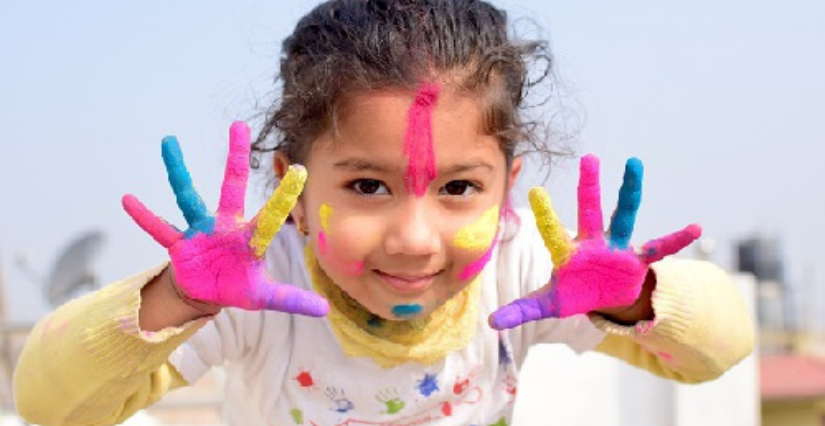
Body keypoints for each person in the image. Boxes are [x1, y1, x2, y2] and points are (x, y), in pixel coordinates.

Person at [13, 0, 754, 425]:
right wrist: (177, 299)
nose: (413, 238)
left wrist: (635, 299)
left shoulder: (525, 267)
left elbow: (719, 350)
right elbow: (49, 404)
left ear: (507, 186)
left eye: (459, 188)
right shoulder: (251, 286)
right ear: (294, 191)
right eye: (367, 186)